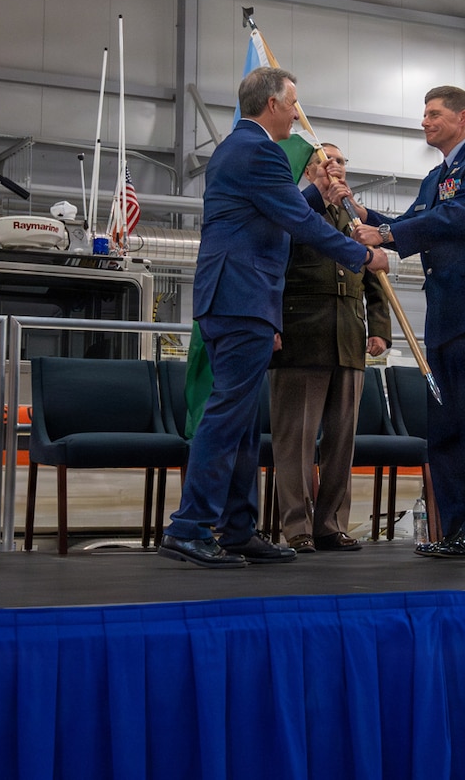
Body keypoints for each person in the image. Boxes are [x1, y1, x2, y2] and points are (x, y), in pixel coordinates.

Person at [161, 68, 390, 569]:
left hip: (234, 297)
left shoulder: (238, 149)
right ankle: (190, 526)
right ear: (271, 104)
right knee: (226, 416)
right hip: (242, 298)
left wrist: (316, 197)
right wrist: (364, 257)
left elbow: (276, 211)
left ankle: (238, 529)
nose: (295, 113)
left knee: (242, 421)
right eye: (292, 103)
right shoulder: (260, 149)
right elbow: (299, 224)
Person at [345, 85, 465, 559]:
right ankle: (454, 525)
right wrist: (364, 215)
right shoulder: (433, 177)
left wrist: (385, 233)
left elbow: (456, 219)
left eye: (434, 114)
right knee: (443, 426)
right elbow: (417, 220)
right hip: (444, 314)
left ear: (463, 118)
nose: (425, 121)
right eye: (423, 114)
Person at [267, 143, 392, 553]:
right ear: (308, 173)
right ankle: (297, 526)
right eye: (324, 162)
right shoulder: (294, 208)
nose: (334, 167)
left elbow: (372, 275)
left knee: (341, 440)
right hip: (302, 333)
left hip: (348, 338)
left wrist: (379, 328)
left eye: (339, 161)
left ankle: (331, 524)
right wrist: (271, 322)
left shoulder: (355, 217)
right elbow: (271, 266)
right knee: (296, 439)